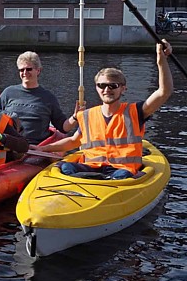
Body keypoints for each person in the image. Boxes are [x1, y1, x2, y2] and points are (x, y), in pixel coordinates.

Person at [30, 41, 174, 180]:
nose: (106, 90)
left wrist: (161, 60)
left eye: (113, 86)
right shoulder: (87, 115)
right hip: (90, 166)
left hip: (122, 169)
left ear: (123, 88)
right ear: (97, 87)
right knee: (66, 167)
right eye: (102, 85)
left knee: (121, 176)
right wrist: (43, 149)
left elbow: (164, 91)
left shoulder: (136, 111)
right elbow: (73, 141)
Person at [0, 51, 79, 144]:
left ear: (38, 70)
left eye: (29, 69)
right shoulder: (8, 92)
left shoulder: (48, 97)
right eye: (21, 70)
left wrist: (75, 117)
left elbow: (63, 127)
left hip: (35, 147)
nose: (25, 73)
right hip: (9, 143)